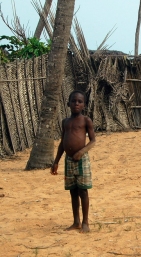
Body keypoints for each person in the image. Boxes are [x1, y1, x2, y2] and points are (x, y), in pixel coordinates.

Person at [50, 90, 96, 233]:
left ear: (84, 105)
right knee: (73, 191)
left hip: (81, 160)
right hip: (69, 161)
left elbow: (93, 140)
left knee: (83, 190)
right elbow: (62, 143)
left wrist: (81, 152)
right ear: (68, 103)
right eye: (74, 101)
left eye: (80, 101)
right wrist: (56, 161)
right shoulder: (65, 122)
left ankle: (85, 222)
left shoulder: (86, 120)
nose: (76, 103)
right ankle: (76, 221)